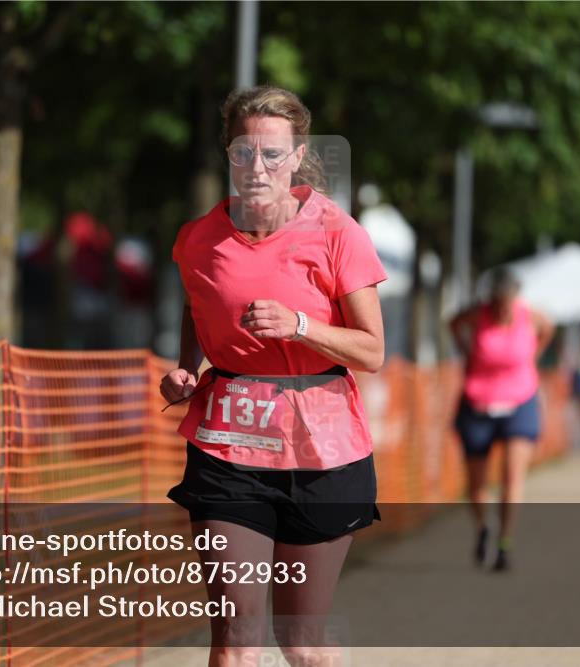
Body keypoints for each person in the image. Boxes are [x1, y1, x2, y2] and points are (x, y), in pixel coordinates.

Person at [159, 85, 387, 666]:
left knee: (301, 642)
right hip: (228, 443)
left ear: (297, 154)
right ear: (227, 152)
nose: (255, 168)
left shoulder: (337, 233)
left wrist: (300, 324)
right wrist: (189, 366)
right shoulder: (198, 238)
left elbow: (371, 351)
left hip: (322, 449)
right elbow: (197, 303)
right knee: (236, 639)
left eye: (271, 154)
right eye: (242, 153)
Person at [449, 267, 554, 571]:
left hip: (520, 399)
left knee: (512, 478)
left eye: (508, 300)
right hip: (478, 400)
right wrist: (465, 351)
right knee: (477, 484)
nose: (503, 307)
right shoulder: (476, 314)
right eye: (498, 301)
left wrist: (534, 354)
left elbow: (549, 328)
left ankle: (505, 543)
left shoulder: (529, 316)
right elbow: (452, 323)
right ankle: (483, 528)